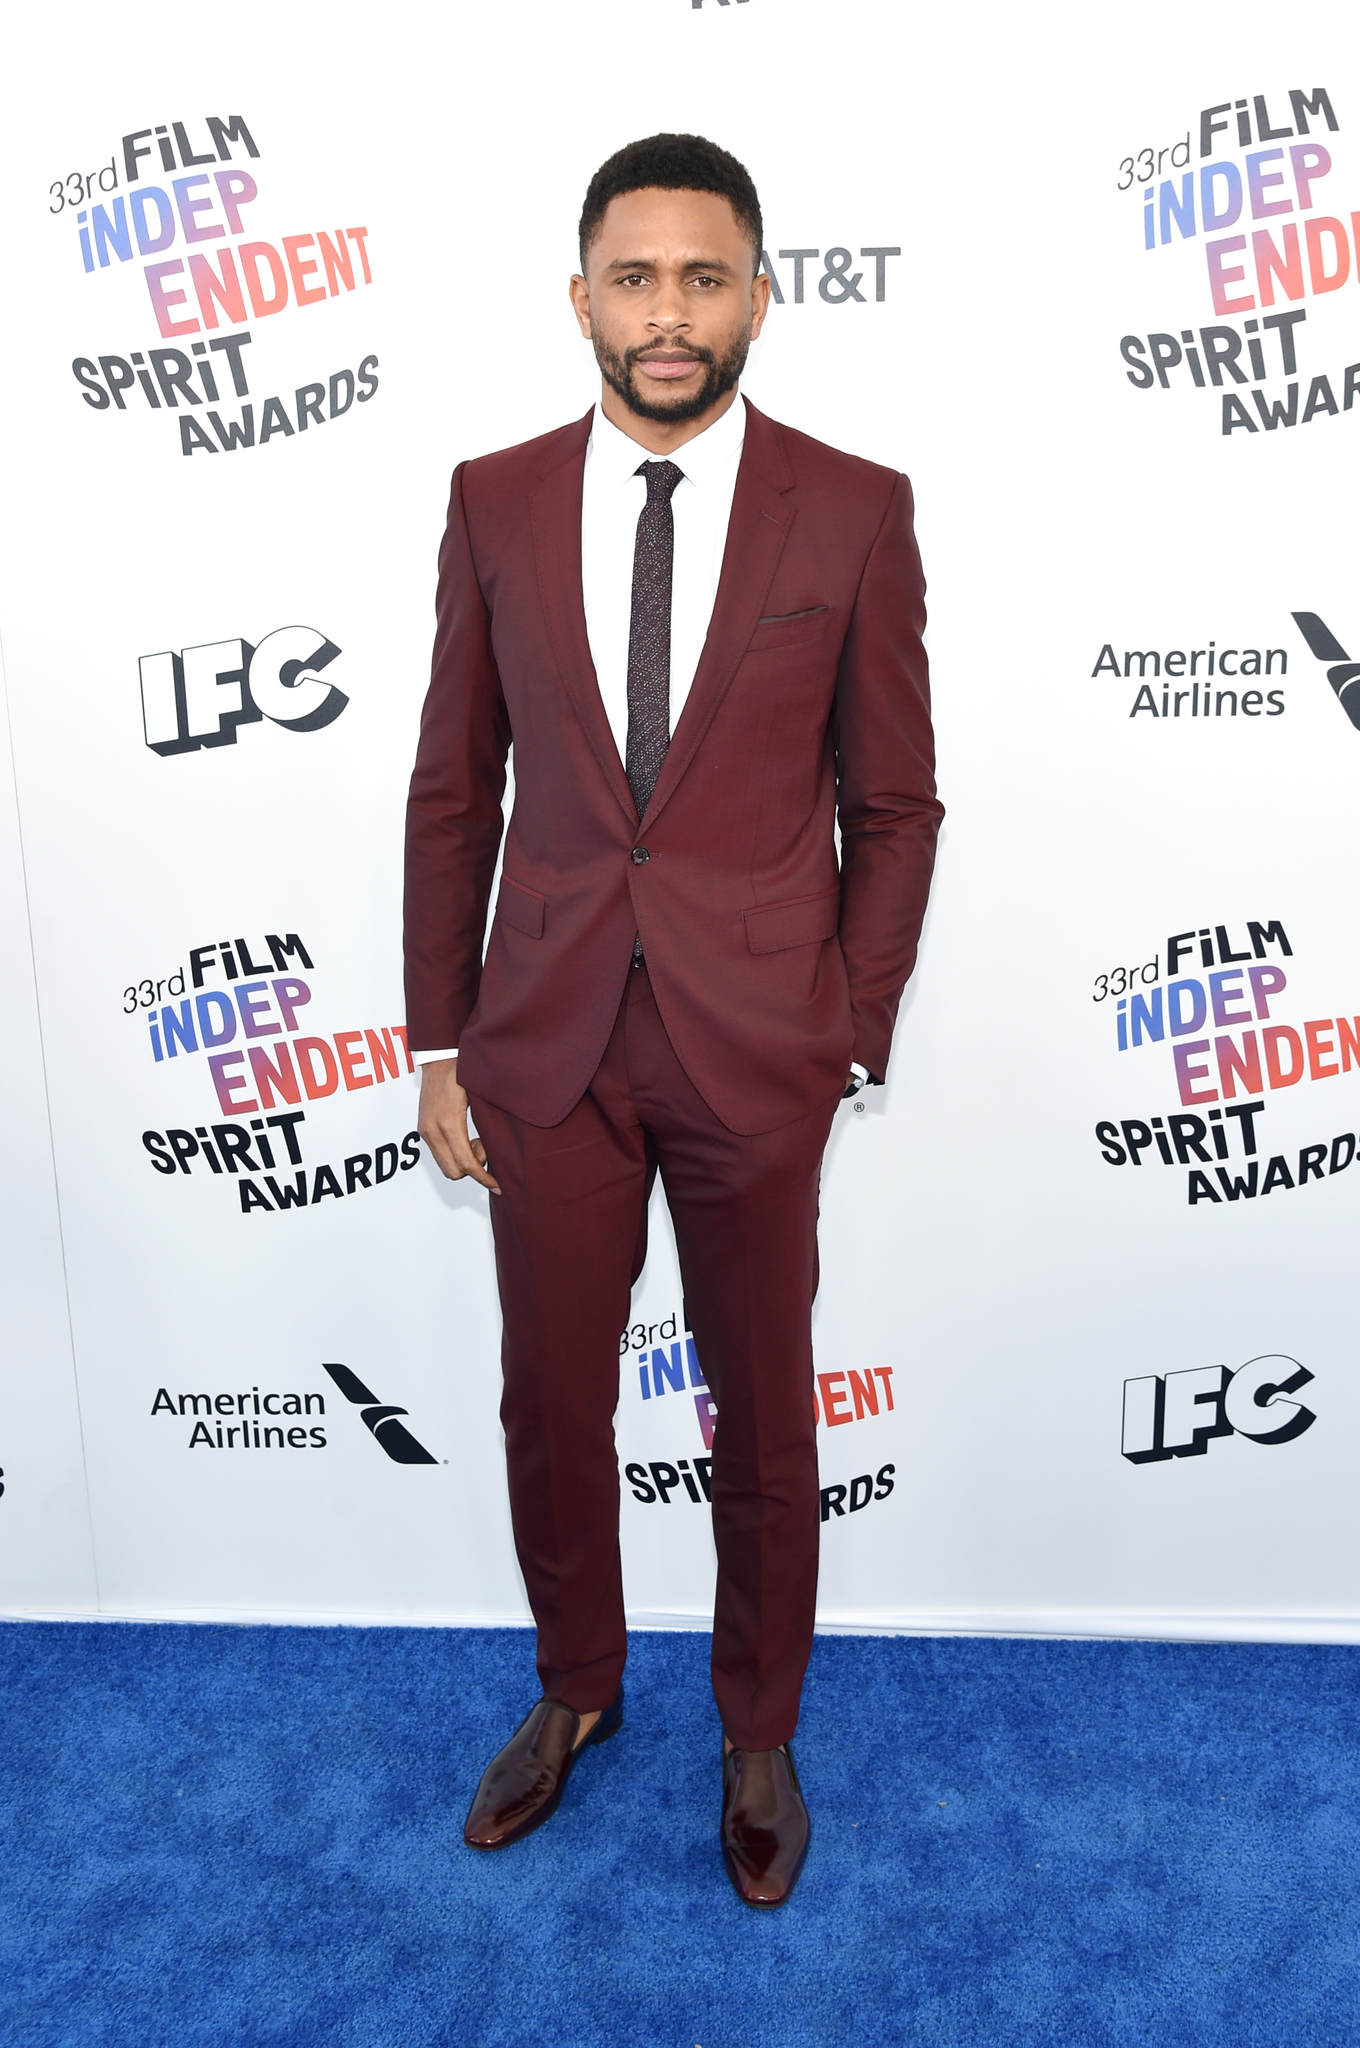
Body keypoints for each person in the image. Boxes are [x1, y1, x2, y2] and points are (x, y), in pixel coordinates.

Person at [404, 132, 941, 1908]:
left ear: (761, 298)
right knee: (553, 1400)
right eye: (634, 277)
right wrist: (437, 1041)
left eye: (704, 278)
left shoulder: (851, 507)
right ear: (580, 297)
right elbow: (452, 794)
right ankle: (576, 1686)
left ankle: (758, 1727)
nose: (667, 312)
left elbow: (897, 803)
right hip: (544, 1041)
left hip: (756, 1048)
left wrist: (848, 1027)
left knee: (763, 1410)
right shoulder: (491, 499)